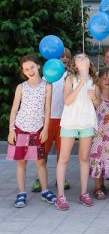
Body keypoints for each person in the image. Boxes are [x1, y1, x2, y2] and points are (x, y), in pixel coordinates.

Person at [7, 55, 56, 208]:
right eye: (26, 69)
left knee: (41, 161)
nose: (30, 71)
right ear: (23, 71)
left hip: (38, 129)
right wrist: (11, 130)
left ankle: (45, 190)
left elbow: (47, 109)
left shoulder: (47, 86)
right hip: (21, 128)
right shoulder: (21, 87)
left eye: (32, 67)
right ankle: (21, 193)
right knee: (21, 162)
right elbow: (14, 109)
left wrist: (46, 129)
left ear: (38, 66)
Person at [55, 53, 99, 211]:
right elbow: (67, 101)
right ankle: (60, 196)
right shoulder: (70, 79)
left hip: (86, 122)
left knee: (84, 158)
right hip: (70, 122)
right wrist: (80, 84)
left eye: (84, 56)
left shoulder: (94, 80)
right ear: (75, 63)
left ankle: (84, 193)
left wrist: (94, 98)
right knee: (64, 158)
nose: (82, 57)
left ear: (89, 62)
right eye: (79, 57)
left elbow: (98, 103)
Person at [33, 48, 71, 193]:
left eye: (67, 57)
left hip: (65, 121)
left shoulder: (70, 76)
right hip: (47, 120)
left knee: (63, 153)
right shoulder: (46, 76)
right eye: (62, 56)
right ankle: (40, 178)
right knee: (43, 151)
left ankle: (60, 177)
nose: (64, 59)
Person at [89, 68, 109, 199]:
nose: (107, 81)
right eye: (104, 78)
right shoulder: (97, 94)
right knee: (98, 158)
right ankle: (98, 186)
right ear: (99, 80)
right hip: (98, 135)